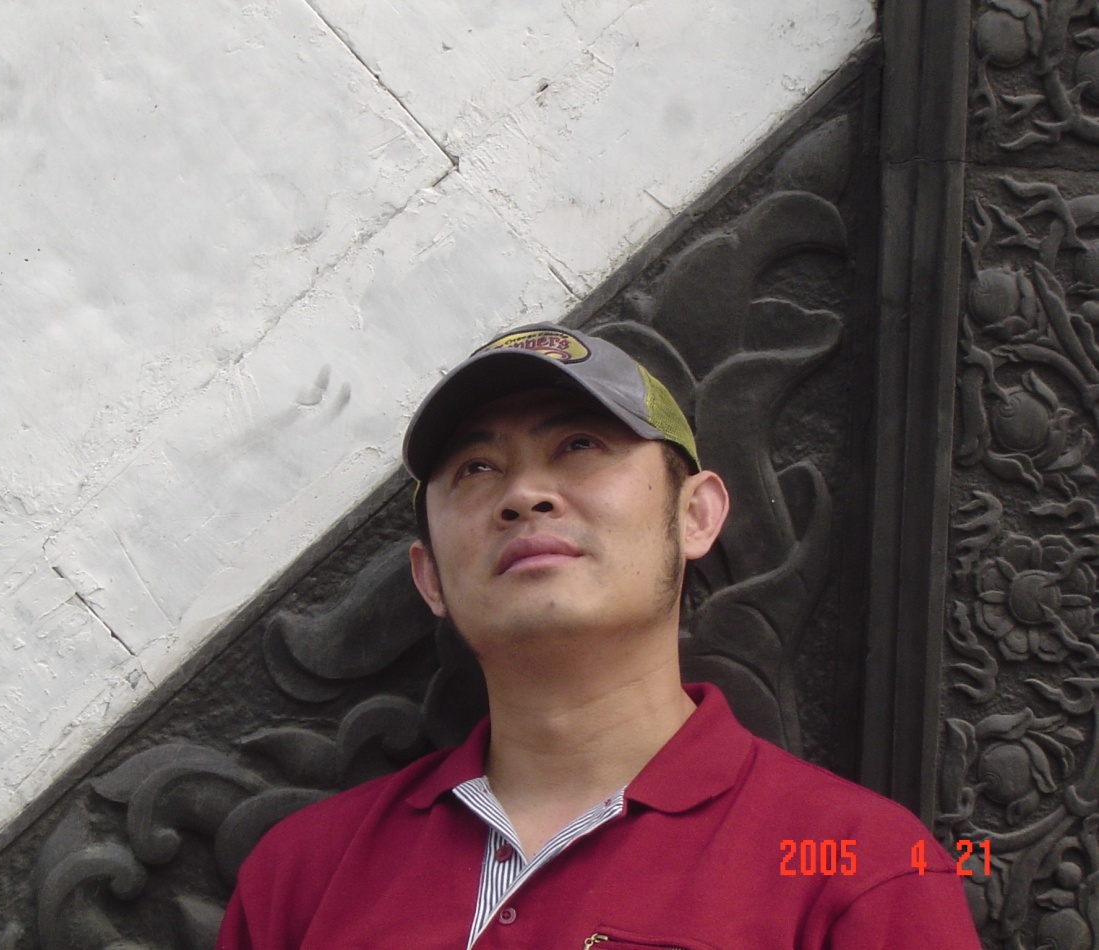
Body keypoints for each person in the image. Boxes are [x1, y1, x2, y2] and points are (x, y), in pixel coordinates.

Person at [217, 323, 981, 949]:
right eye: (476, 468)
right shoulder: (299, 875)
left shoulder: (860, 865)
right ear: (429, 578)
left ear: (694, 514)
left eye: (579, 445)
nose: (523, 494)